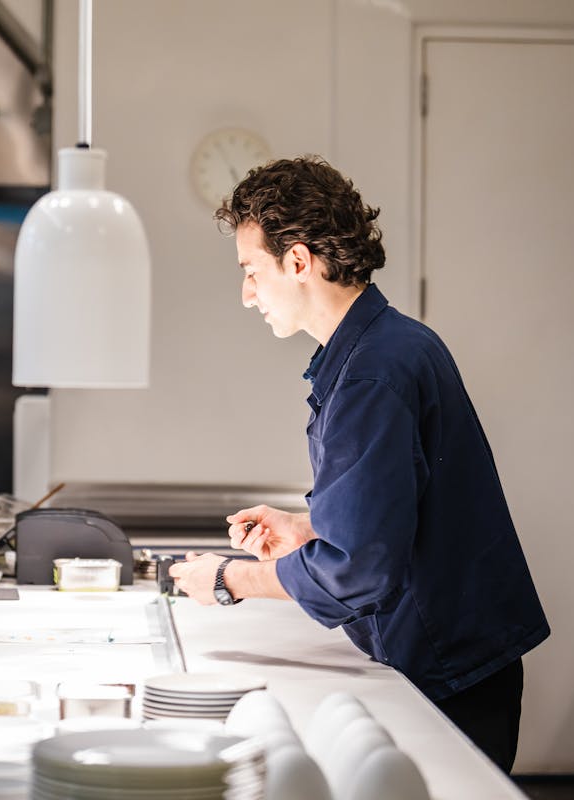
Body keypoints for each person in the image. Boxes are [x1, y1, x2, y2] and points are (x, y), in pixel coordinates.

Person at [169, 156, 549, 773]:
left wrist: (227, 580)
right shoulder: (386, 345)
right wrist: (308, 526)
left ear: (297, 261)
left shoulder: (372, 372)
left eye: (250, 271)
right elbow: (398, 503)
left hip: (449, 668)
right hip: (463, 655)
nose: (246, 295)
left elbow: (363, 567)